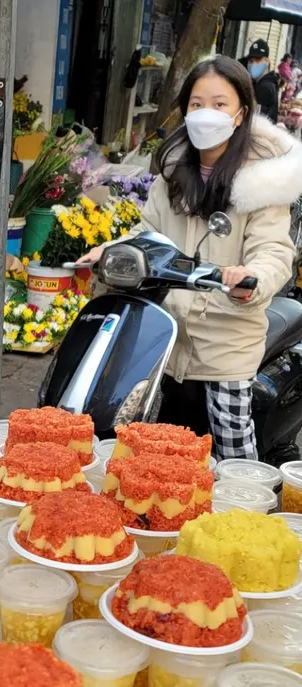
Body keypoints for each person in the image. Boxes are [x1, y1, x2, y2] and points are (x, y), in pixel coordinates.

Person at [79, 56, 302, 459]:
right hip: (162, 339)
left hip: (226, 346)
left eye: (219, 104)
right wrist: (113, 250)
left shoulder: (264, 183)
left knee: (235, 464)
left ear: (241, 114)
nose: (206, 114)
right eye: (196, 104)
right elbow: (150, 234)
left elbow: (273, 251)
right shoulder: (172, 176)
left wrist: (249, 277)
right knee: (140, 458)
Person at [243, 39, 279, 122]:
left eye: (258, 60)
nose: (254, 64)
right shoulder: (269, 82)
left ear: (266, 61)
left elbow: (256, 119)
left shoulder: (264, 87)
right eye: (251, 61)